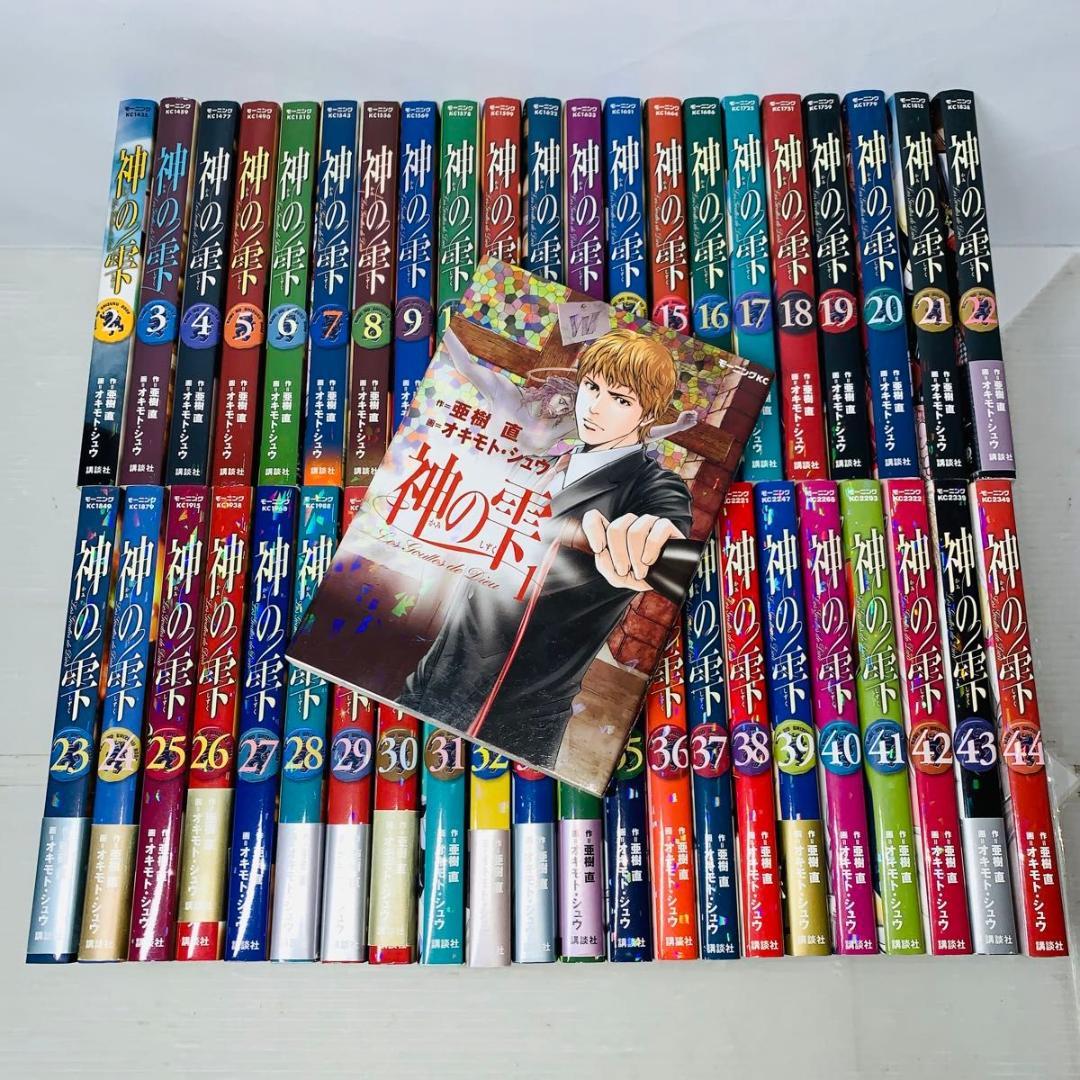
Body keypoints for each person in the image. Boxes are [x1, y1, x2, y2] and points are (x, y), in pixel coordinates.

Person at [398, 329, 693, 767]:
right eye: (592, 387)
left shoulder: (652, 485)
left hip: (510, 710)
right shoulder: (556, 464)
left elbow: (664, 533)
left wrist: (648, 549)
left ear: (647, 414)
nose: (595, 407)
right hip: (437, 675)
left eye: (620, 399)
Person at [444, 326, 699, 456]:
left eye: (569, 407)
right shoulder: (507, 393)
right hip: (471, 456)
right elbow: (465, 365)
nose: (563, 409)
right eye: (564, 400)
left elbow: (630, 435)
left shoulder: (566, 425)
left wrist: (677, 427)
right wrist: (444, 328)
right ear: (551, 390)